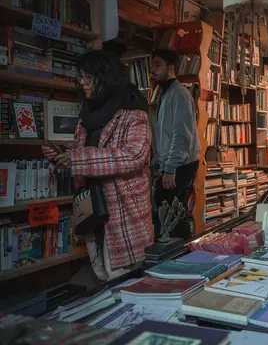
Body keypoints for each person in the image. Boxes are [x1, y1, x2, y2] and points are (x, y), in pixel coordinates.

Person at [42, 50, 153, 281]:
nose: (82, 83)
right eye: (80, 77)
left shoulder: (133, 112)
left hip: (123, 212)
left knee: (122, 278)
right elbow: (84, 151)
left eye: (88, 77)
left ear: (106, 76)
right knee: (102, 275)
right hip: (92, 208)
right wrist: (63, 155)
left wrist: (78, 159)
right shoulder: (88, 113)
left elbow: (133, 156)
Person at [150, 49, 200, 240]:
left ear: (171, 68)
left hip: (180, 164)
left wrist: (170, 169)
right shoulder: (165, 94)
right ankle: (182, 252)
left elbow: (181, 135)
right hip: (172, 163)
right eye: (152, 66)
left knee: (172, 210)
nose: (152, 70)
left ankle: (185, 252)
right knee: (170, 209)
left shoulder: (179, 94)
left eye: (157, 65)